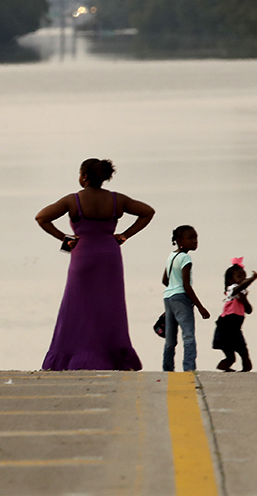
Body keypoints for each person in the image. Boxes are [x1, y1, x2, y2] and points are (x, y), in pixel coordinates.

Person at [36, 158, 155, 371]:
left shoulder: (73, 200)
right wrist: (125, 234)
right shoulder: (117, 199)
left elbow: (42, 217)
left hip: (83, 255)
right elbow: (148, 212)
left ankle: (73, 356)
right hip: (110, 256)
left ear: (84, 176)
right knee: (109, 306)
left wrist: (65, 238)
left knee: (77, 306)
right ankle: (113, 357)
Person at [162, 225, 210, 372]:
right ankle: (189, 368)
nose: (195, 241)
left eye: (195, 238)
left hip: (168, 298)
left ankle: (167, 368)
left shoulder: (171, 256)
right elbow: (186, 285)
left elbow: (165, 280)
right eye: (190, 238)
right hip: (181, 298)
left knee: (170, 338)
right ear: (179, 240)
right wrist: (200, 307)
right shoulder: (185, 258)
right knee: (188, 335)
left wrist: (173, 288)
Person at [213, 258, 257, 372]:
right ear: (230, 280)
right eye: (239, 277)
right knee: (230, 353)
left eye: (244, 276)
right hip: (226, 325)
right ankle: (225, 365)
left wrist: (244, 299)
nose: (243, 279)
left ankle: (245, 369)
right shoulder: (231, 289)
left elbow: (249, 310)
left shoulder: (242, 293)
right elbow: (240, 287)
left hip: (235, 327)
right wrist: (251, 279)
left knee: (243, 350)